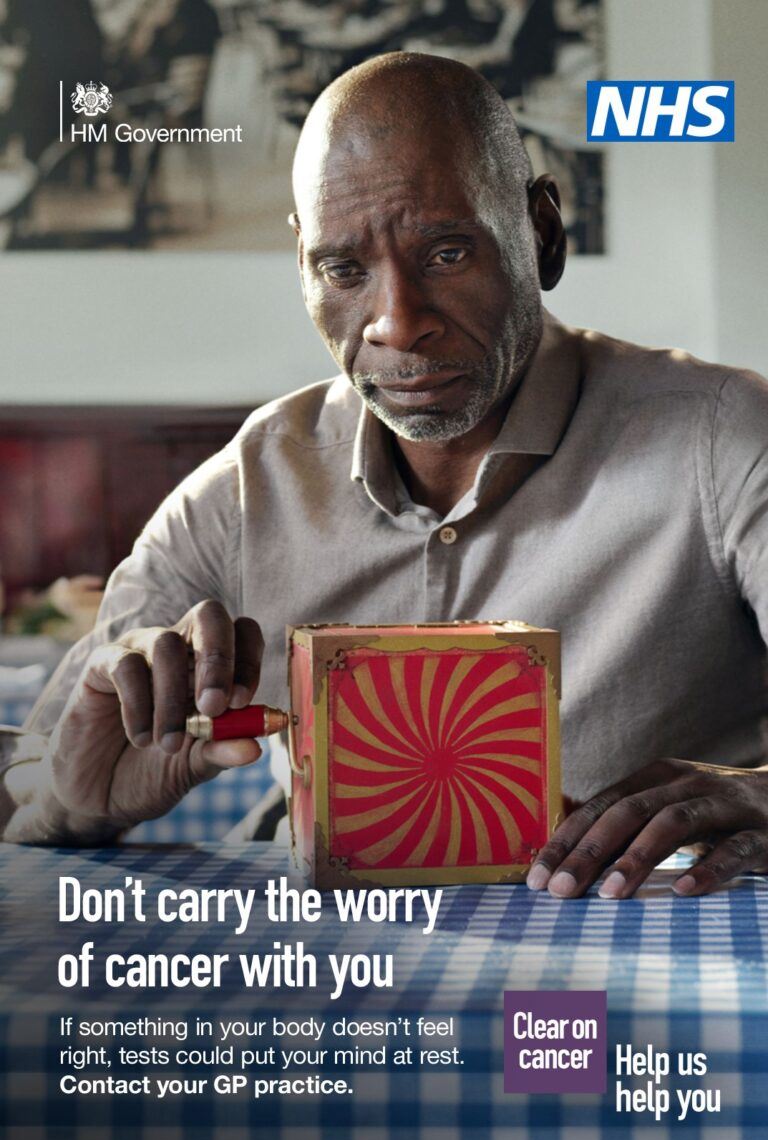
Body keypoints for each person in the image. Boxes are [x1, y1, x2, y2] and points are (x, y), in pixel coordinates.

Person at [5, 52, 768, 902]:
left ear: (542, 234)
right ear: (303, 268)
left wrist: (757, 793)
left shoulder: (724, 438)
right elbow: (26, 784)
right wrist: (71, 803)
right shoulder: (247, 487)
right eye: (344, 270)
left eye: (446, 252)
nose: (396, 323)